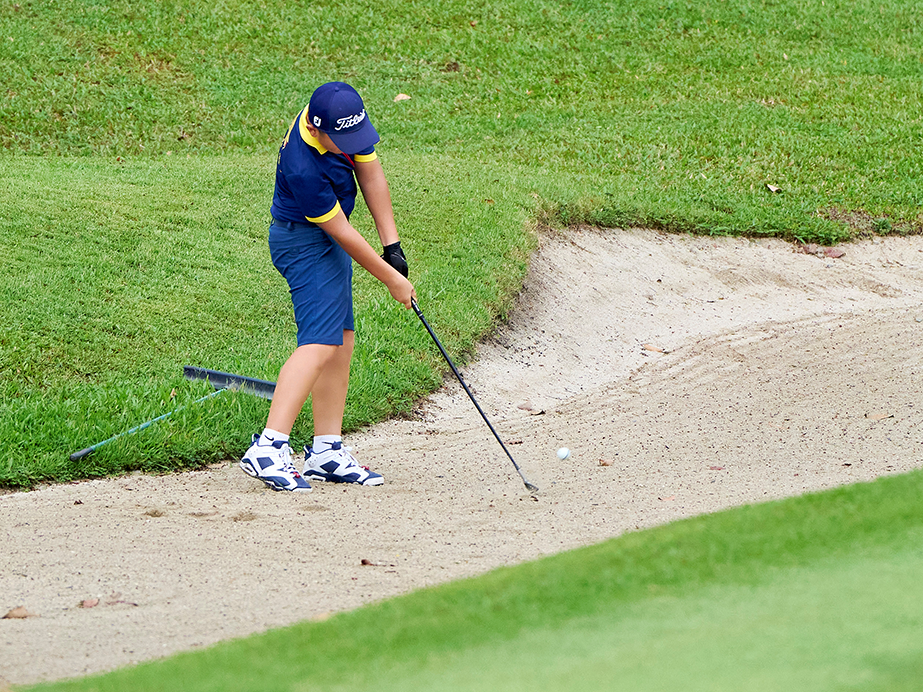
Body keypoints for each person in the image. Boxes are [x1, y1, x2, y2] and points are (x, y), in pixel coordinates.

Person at [240, 81, 415, 492]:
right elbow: (342, 234)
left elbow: (371, 174)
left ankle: (326, 451)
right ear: (318, 131)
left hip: (325, 240)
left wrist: (393, 246)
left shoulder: (335, 118)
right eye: (344, 141)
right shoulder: (303, 165)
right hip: (302, 242)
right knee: (319, 342)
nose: (352, 146)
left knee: (341, 337)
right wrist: (392, 279)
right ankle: (269, 447)